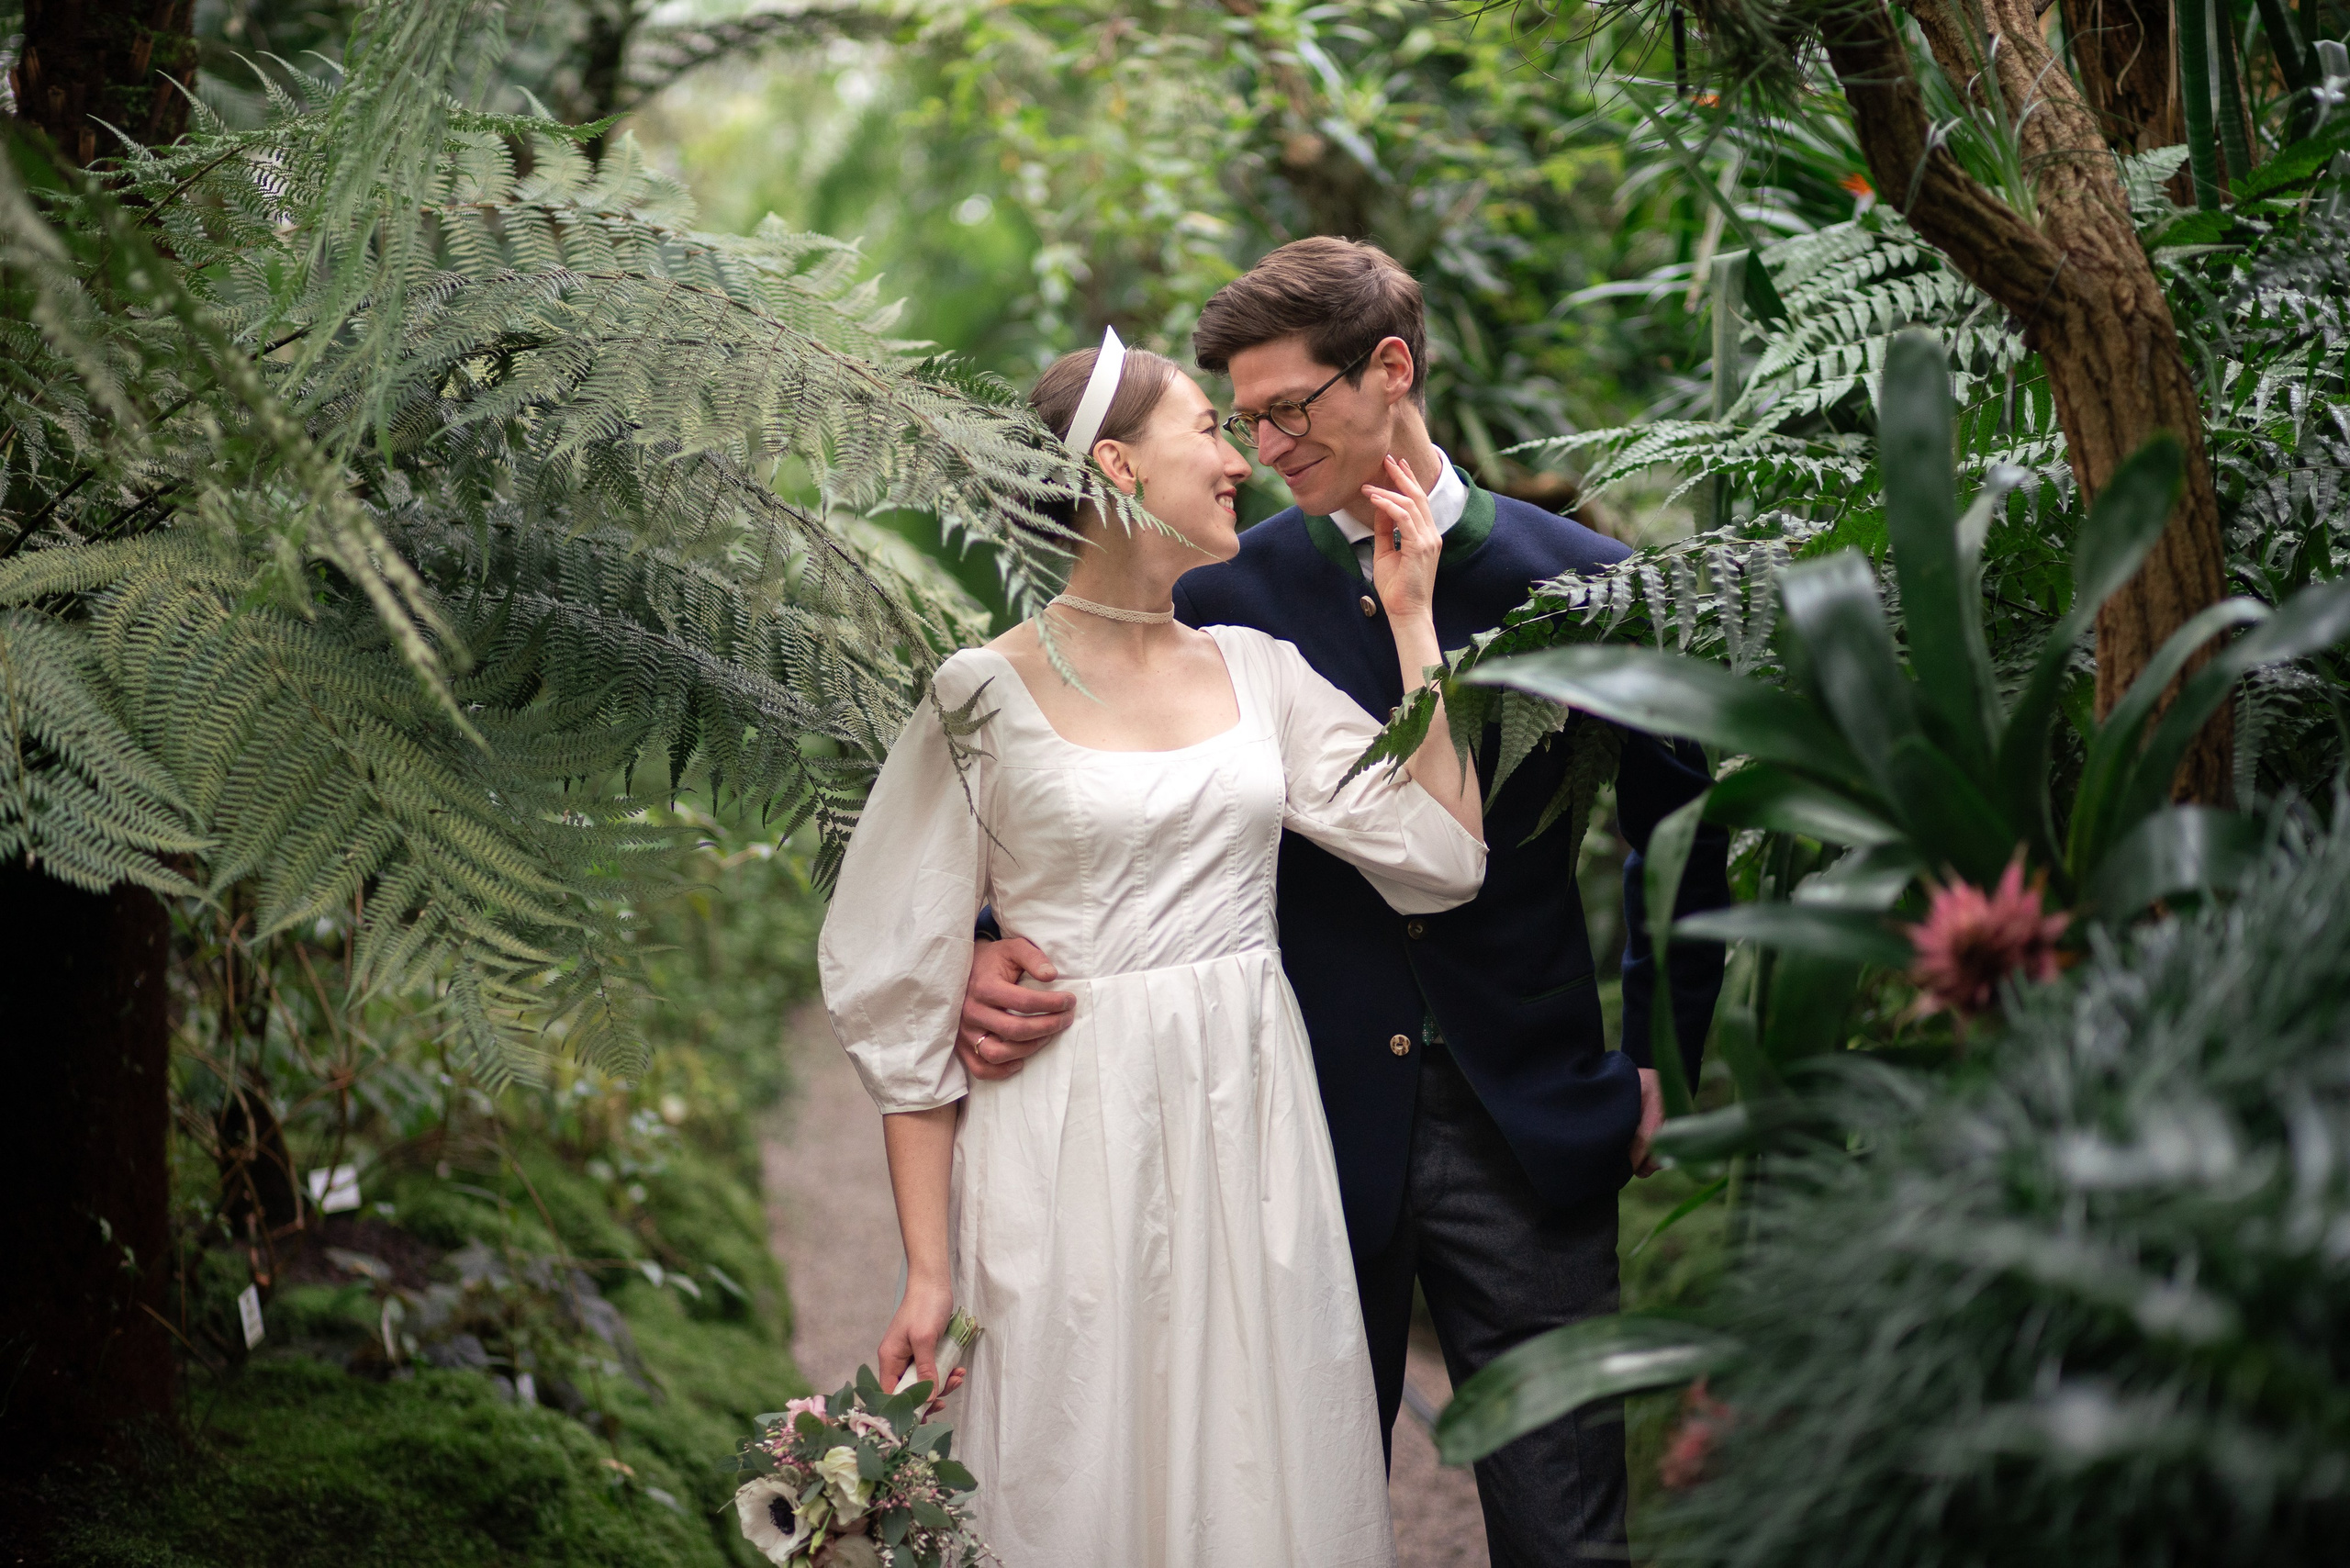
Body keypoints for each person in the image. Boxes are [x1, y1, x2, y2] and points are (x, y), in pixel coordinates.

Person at [953, 239, 1731, 1562]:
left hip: (1532, 1119)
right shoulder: (1221, 591)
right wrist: (985, 947)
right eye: (1240, 418)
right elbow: (1067, 778)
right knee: (1286, 1510)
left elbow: (1686, 824)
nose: (1260, 445)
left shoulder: (1578, 579)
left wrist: (1661, 1056)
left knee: (1570, 1532)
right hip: (1287, 1128)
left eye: (1286, 410)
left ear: (1389, 370)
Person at [818, 330, 1491, 1567]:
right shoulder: (978, 695)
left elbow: (1445, 859)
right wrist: (925, 1272)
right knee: (1075, 1457)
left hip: (1250, 1126)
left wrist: (1413, 626)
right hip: (1066, 1129)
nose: (1239, 460)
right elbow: (898, 992)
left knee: (1261, 1451)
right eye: (1212, 432)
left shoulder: (1261, 675)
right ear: (1117, 466)